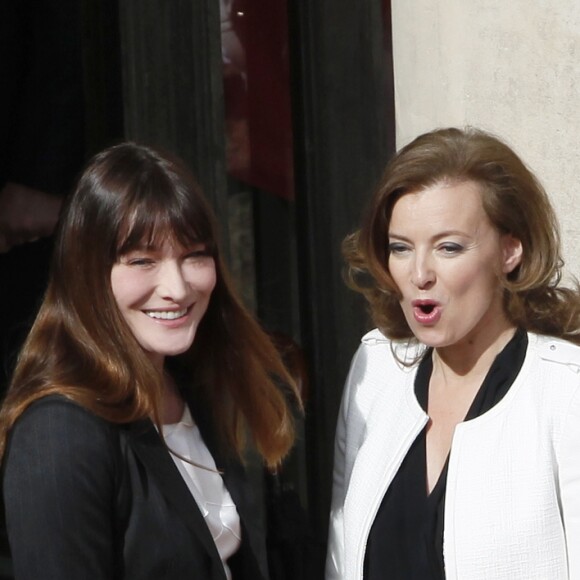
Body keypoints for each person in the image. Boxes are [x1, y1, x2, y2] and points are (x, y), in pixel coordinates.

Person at [0, 142, 299, 580]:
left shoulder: (189, 384)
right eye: (142, 261)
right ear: (88, 273)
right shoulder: (59, 433)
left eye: (194, 255)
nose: (176, 288)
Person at [326, 127, 580, 579]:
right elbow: (341, 557)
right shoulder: (375, 369)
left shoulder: (565, 390)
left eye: (449, 247)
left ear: (509, 250)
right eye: (400, 248)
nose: (420, 273)